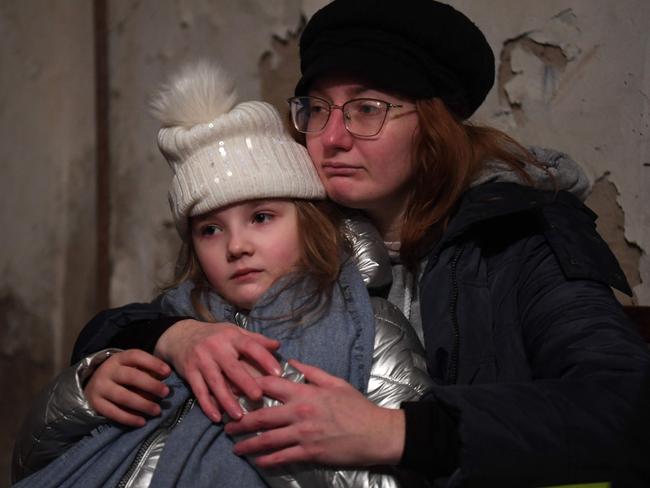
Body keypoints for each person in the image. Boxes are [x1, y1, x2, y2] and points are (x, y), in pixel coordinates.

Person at [26, 0, 650, 486]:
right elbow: (164, 308)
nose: (331, 138)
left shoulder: (522, 237)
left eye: (367, 109)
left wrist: (398, 432)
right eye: (318, 109)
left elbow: (625, 409)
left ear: (433, 125)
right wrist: (172, 337)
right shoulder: (306, 223)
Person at [11, 61, 433, 487]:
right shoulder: (168, 329)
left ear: (308, 223)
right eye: (210, 229)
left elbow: (400, 476)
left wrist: (264, 395)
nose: (236, 246)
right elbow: (29, 462)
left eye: (262, 217)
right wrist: (82, 397)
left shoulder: (371, 328)